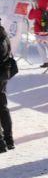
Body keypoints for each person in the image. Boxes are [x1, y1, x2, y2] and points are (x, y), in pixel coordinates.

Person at [27, 0, 48, 68]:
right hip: (47, 31)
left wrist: (33, 8)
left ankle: (45, 62)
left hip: (39, 32)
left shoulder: (38, 11)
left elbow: (30, 17)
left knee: (41, 47)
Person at [0, 23, 14, 152]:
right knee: (3, 108)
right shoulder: (3, 34)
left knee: (2, 108)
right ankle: (9, 140)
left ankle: (2, 142)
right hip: (3, 75)